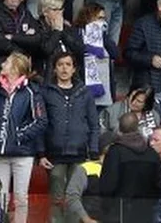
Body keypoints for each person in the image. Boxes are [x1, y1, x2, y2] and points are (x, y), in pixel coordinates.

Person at [0, 53, 47, 223]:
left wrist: (19, 136)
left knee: (20, 198)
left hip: (22, 153)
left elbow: (41, 121)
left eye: (7, 62)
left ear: (16, 68)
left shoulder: (31, 91)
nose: (3, 63)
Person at [42, 51, 100, 222]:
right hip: (55, 154)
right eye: (60, 65)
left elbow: (93, 124)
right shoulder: (46, 92)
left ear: (74, 69)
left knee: (75, 197)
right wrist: (41, 154)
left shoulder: (85, 92)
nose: (64, 68)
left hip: (80, 153)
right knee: (57, 198)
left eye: (68, 64)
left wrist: (94, 150)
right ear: (54, 69)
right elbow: (41, 123)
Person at [94, 112, 161, 220]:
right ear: (138, 126)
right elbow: (159, 184)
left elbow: (107, 185)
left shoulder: (115, 152)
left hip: (119, 211)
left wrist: (106, 208)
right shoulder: (152, 154)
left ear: (120, 128)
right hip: (146, 212)